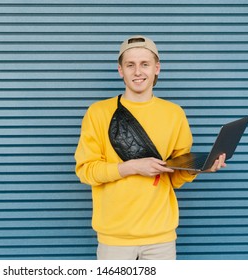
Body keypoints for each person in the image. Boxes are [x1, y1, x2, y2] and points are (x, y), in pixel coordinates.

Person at [74, 35, 226, 260]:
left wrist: (201, 168)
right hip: (114, 239)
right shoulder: (98, 113)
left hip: (161, 238)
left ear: (157, 68)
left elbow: (174, 177)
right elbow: (86, 171)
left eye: (145, 64)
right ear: (120, 70)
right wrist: (133, 167)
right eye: (130, 65)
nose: (138, 72)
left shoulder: (174, 114)